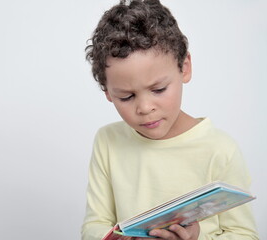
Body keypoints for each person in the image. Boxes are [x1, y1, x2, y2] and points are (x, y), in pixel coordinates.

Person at [81, 0, 259, 240]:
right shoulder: (108, 141)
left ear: (184, 67)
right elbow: (94, 225)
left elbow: (244, 235)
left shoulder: (219, 149)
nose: (145, 108)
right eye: (126, 96)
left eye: (159, 89)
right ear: (107, 93)